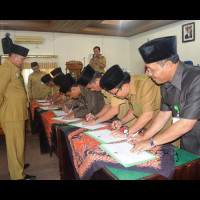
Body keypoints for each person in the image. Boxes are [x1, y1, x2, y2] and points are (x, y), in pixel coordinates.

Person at [130, 35, 200, 156]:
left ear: (168, 65)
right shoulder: (165, 82)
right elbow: (164, 114)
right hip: (189, 144)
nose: (149, 74)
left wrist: (151, 143)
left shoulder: (196, 79)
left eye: (152, 69)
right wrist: (145, 137)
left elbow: (186, 124)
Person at [100, 64, 173, 143]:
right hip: (147, 132)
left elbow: (147, 115)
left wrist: (127, 133)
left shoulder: (146, 83)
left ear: (124, 87)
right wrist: (121, 121)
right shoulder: (130, 87)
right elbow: (133, 110)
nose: (114, 96)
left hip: (164, 133)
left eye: (114, 93)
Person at [0, 44, 36, 180]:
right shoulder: (5, 69)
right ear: (14, 57)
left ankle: (17, 166)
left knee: (19, 144)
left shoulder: (13, 69)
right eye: (22, 59)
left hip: (17, 113)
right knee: (15, 146)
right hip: (11, 115)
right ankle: (17, 176)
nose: (23, 62)